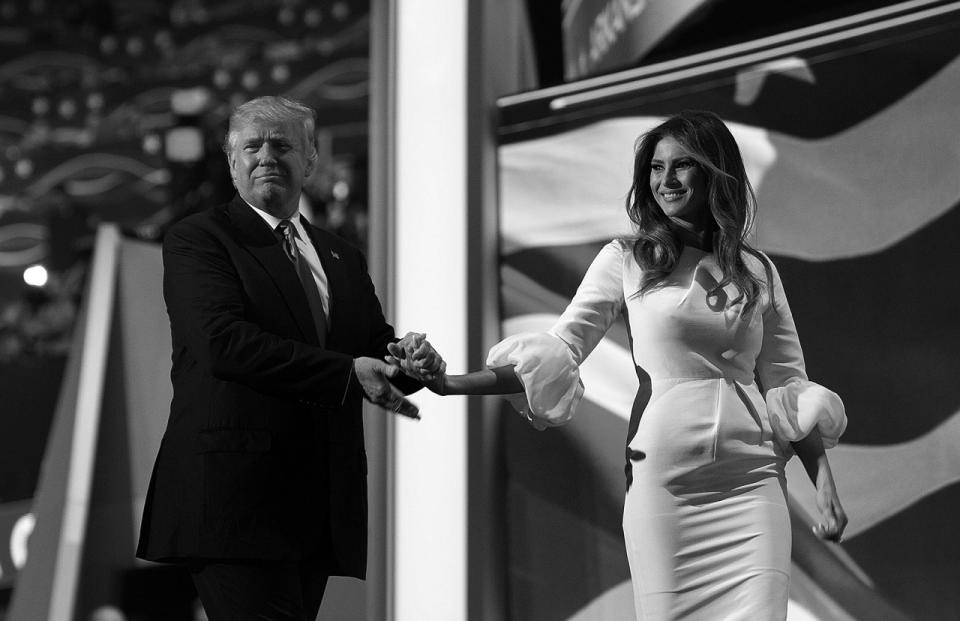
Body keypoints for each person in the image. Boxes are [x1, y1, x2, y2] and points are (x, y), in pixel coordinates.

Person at [393, 111, 848, 620]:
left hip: (751, 484)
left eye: (682, 166)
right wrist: (449, 382)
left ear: (714, 172)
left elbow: (787, 383)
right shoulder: (626, 259)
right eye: (656, 168)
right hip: (666, 486)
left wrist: (823, 481)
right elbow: (559, 351)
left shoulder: (757, 270)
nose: (666, 180)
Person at [136, 96, 440, 621]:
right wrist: (349, 371)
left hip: (316, 500)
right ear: (232, 163)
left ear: (311, 160)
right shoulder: (200, 239)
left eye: (282, 145)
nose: (266, 156)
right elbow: (222, 343)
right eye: (251, 146)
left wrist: (410, 364)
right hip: (233, 500)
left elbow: (371, 349)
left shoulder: (341, 254)